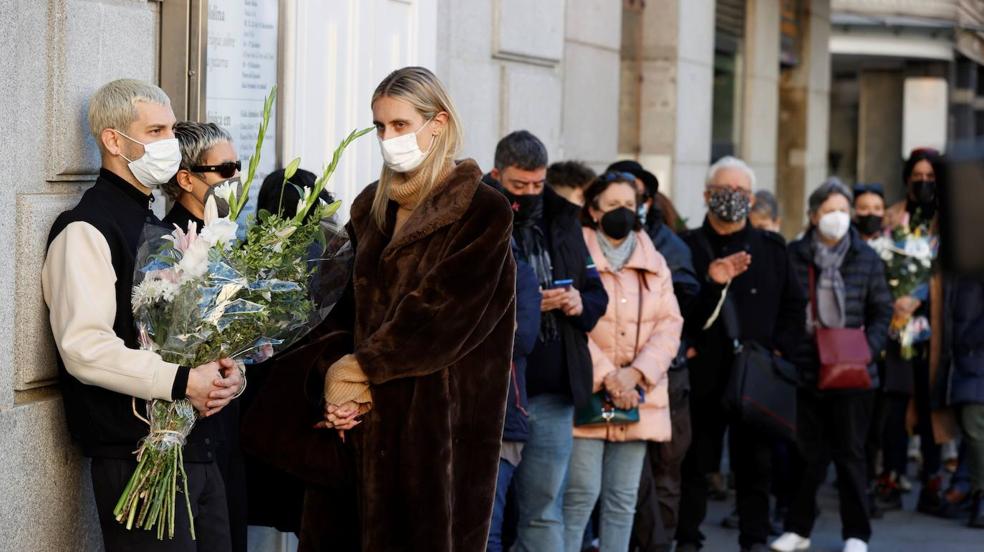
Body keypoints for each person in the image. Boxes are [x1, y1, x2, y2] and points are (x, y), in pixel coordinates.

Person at [309, 66, 517, 551]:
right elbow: (332, 309)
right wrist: (333, 385)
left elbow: (445, 316)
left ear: (438, 123)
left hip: (437, 431)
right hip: (358, 426)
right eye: (380, 126)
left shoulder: (483, 211)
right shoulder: (370, 208)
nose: (388, 138)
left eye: (400, 125)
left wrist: (358, 367)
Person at [41, 79, 243, 551]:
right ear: (114, 141)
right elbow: (84, 347)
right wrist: (180, 380)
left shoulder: (157, 224)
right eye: (155, 131)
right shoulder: (86, 228)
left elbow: (191, 333)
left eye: (172, 131)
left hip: (194, 452)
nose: (170, 145)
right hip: (138, 462)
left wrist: (226, 374)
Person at [483, 130, 609, 552]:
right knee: (487, 514)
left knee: (543, 507)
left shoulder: (562, 217)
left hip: (552, 388)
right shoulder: (476, 212)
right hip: (496, 390)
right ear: (498, 174)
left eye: (538, 185)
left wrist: (575, 300)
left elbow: (596, 293)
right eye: (519, 186)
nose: (530, 194)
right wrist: (529, 302)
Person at [676, 156, 805, 552]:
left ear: (751, 199)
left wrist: (780, 352)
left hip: (757, 373)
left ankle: (754, 539)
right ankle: (687, 539)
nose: (731, 199)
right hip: (704, 373)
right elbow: (677, 308)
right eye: (723, 191)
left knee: (756, 464)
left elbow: (794, 305)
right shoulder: (686, 247)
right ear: (706, 195)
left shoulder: (771, 248)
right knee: (695, 463)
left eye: (739, 192)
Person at [561, 171, 683, 552]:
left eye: (629, 205)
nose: (623, 213)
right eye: (613, 205)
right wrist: (608, 377)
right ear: (594, 210)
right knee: (579, 497)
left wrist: (635, 375)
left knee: (622, 500)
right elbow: (569, 325)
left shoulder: (654, 259)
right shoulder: (574, 253)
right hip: (588, 390)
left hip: (637, 396)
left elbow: (669, 324)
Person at [771, 180, 892, 552]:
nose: (837, 218)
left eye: (843, 210)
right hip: (808, 370)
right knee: (808, 455)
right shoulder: (794, 255)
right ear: (813, 216)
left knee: (851, 455)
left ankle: (856, 534)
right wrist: (791, 349)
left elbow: (881, 310)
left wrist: (866, 350)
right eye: (829, 211)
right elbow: (784, 309)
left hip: (854, 374)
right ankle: (798, 528)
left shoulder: (866, 257)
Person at [158, 120, 249, 551]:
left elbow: (247, 336)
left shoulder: (228, 239)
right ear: (186, 178)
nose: (235, 178)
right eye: (224, 169)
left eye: (238, 166)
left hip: (227, 434)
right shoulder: (162, 245)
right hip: (182, 441)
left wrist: (239, 373)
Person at [610, 164, 701, 552]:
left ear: (647, 201)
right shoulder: (590, 243)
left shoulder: (669, 248)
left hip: (663, 375)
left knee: (662, 472)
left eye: (633, 199)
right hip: (610, 376)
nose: (623, 209)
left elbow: (676, 313)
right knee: (620, 478)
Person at [883, 148, 958, 514]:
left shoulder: (950, 222)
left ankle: (931, 483)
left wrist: (921, 297)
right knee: (894, 405)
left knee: (932, 408)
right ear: (907, 178)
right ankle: (892, 477)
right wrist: (897, 298)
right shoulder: (891, 218)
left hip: (934, 329)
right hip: (895, 328)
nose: (924, 182)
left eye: (931, 177)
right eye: (918, 176)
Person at [942, 275, 984, 528]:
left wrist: (968, 339)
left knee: (974, 423)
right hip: (961, 359)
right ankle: (967, 486)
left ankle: (976, 490)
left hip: (973, 356)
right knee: (969, 426)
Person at [161, 121, 241, 230]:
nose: (237, 176)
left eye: (238, 166)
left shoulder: (222, 231)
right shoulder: (167, 242)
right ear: (186, 180)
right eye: (227, 168)